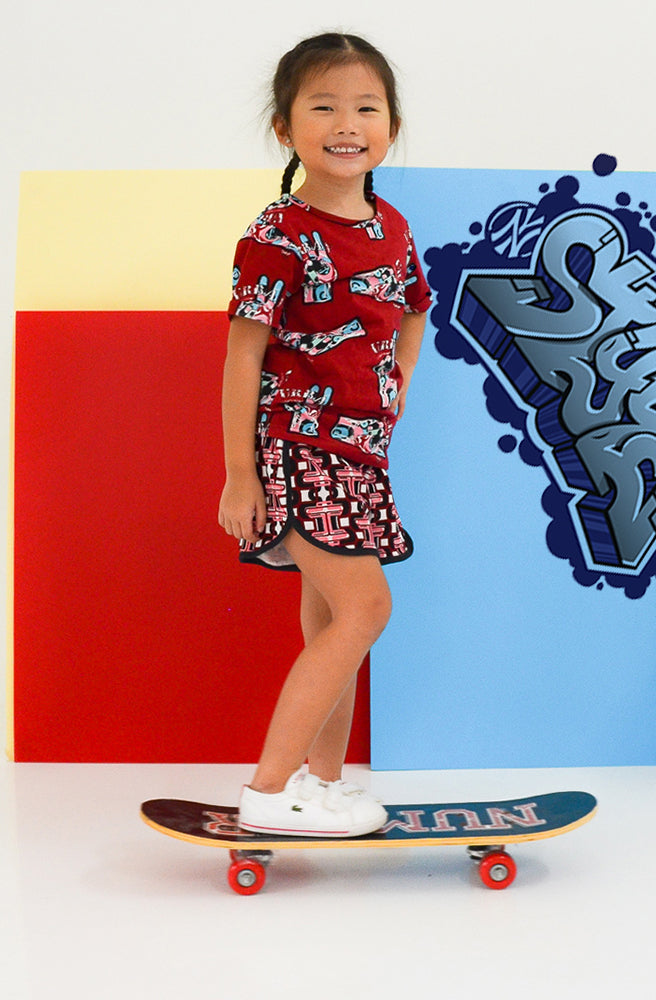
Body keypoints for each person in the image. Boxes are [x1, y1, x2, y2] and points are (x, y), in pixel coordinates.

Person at [218, 32, 431, 837]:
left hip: (361, 455)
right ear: (285, 127)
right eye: (323, 107)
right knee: (366, 608)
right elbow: (242, 356)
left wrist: (398, 380)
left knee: (331, 622)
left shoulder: (391, 227)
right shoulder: (276, 234)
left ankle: (325, 782)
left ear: (391, 126)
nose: (347, 124)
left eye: (366, 108)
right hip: (298, 448)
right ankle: (269, 791)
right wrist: (241, 475)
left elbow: (415, 307)